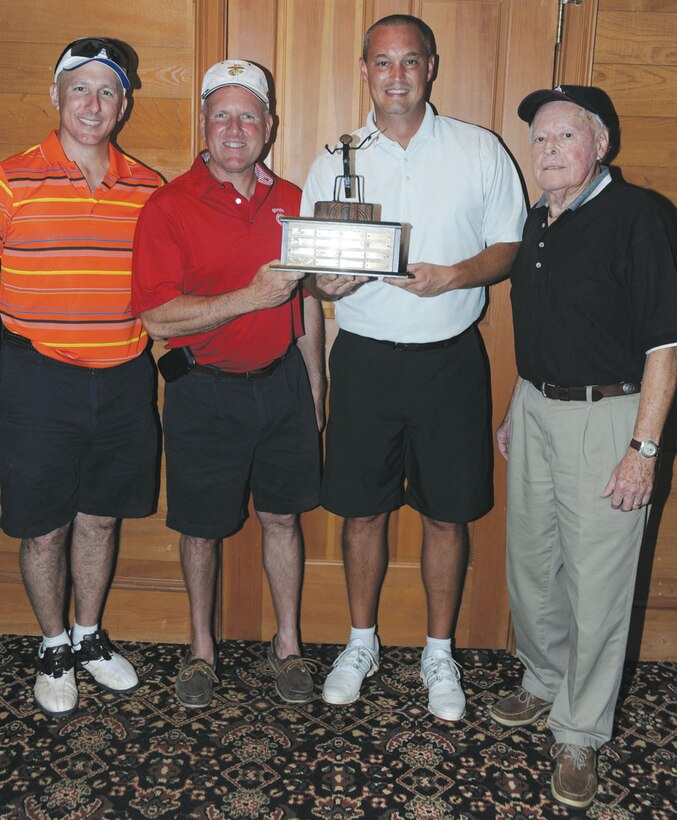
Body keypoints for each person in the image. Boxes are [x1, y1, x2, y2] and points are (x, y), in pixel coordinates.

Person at [300, 15, 525, 720]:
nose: (394, 76)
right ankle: (359, 642)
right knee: (361, 511)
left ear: (429, 65)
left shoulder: (477, 148)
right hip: (363, 360)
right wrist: (322, 284)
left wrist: (455, 275)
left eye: (408, 62)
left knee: (445, 513)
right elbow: (312, 268)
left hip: (450, 362)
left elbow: (508, 245)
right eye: (381, 63)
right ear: (363, 69)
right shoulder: (334, 156)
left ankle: (437, 652)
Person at [489, 85, 677, 809]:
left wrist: (643, 450)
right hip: (537, 408)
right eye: (538, 139)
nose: (547, 151)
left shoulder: (640, 218)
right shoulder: (539, 218)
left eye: (564, 136)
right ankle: (542, 682)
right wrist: (517, 407)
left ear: (601, 143)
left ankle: (579, 733)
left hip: (611, 418)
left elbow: (666, 344)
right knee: (532, 564)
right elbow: (541, 327)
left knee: (597, 587)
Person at [132, 60, 324, 709]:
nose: (235, 127)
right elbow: (157, 317)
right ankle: (200, 652)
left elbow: (307, 302)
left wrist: (316, 385)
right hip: (202, 390)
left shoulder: (295, 200)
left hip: (283, 385)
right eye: (222, 114)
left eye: (248, 114)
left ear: (268, 126)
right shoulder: (167, 205)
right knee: (201, 528)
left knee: (281, 516)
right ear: (205, 125)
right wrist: (248, 297)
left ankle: (289, 644)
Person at [0, 38, 163, 717]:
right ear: (56, 96)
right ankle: (53, 643)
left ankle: (90, 636)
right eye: (80, 89)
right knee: (42, 528)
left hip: (125, 376)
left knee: (98, 518)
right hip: (36, 378)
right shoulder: (10, 180)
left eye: (107, 92)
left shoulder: (151, 188)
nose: (92, 104)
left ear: (124, 104)